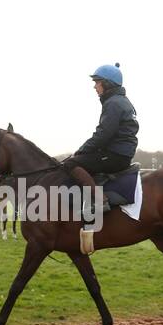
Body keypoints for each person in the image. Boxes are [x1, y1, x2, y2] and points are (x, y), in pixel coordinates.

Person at [62, 63, 139, 224]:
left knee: (70, 164)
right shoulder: (122, 101)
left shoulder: (113, 103)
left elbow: (103, 135)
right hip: (120, 153)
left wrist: (81, 151)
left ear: (107, 83)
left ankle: (100, 201)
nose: (95, 87)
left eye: (97, 82)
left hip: (115, 155)